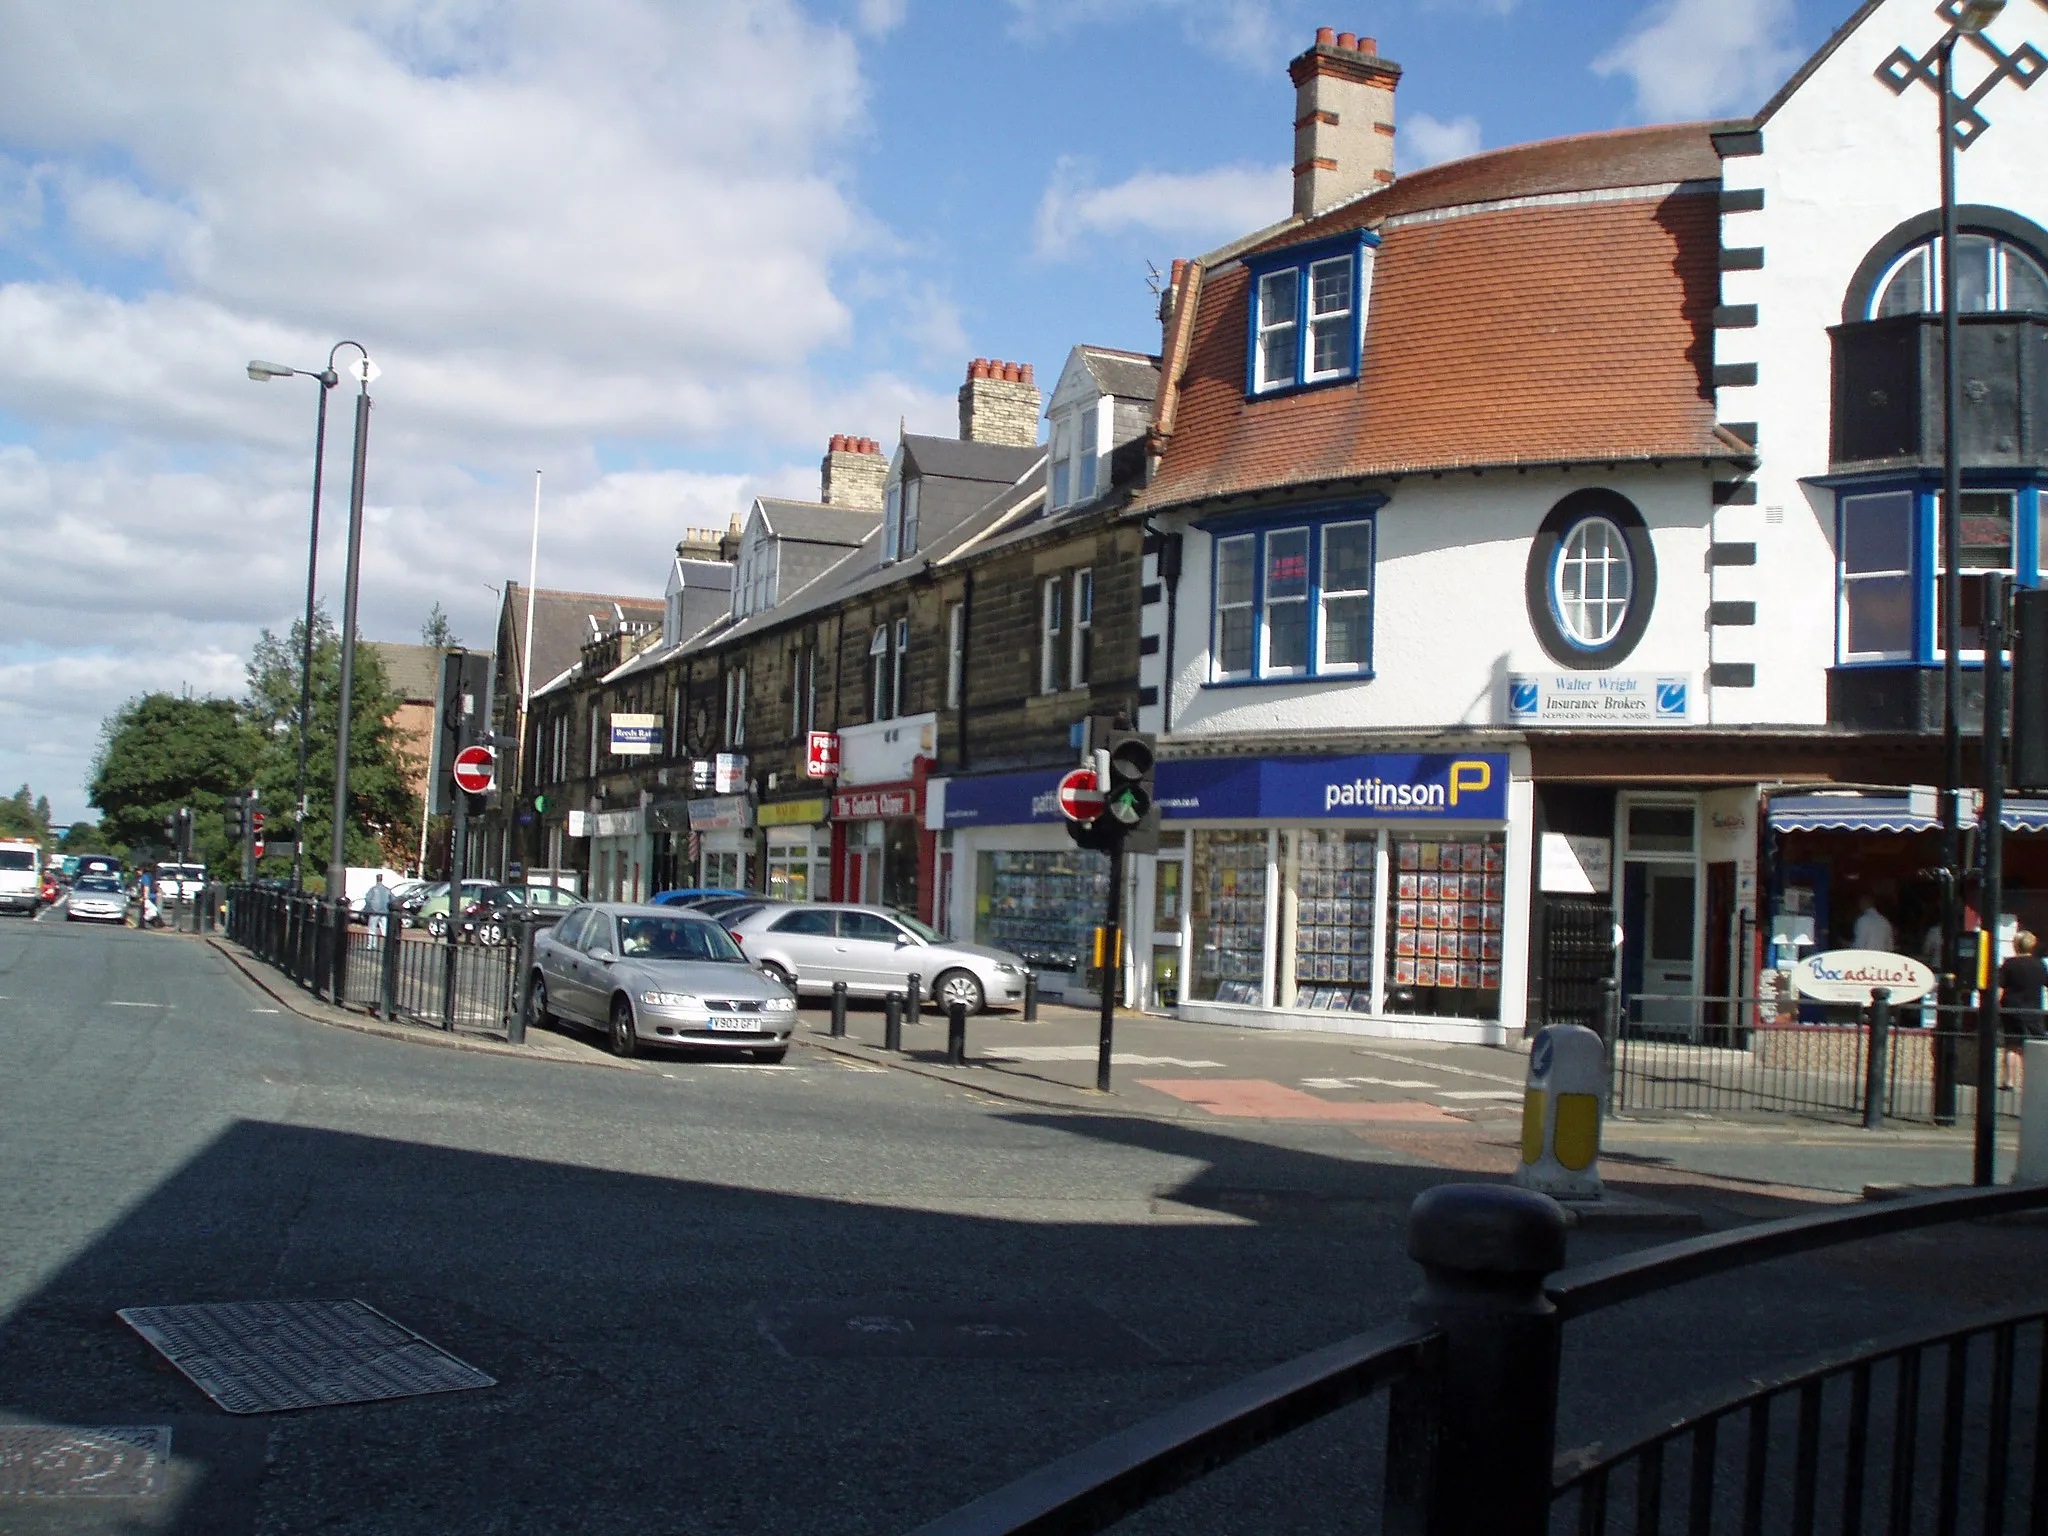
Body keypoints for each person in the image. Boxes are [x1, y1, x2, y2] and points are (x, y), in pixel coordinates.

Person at [2000, 930, 2048, 1038]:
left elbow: (1999, 989)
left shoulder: (2009, 964)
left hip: (2012, 1012)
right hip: (2034, 1013)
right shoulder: (2040, 965)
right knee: (2036, 1045)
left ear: (2016, 945)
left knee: (2014, 1047)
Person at [363, 872, 392, 938]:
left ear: (376, 879)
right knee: (384, 930)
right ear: (382, 879)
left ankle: (371, 945)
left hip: (374, 912)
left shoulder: (373, 889)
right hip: (384, 911)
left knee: (372, 929)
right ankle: (386, 945)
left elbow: (367, 899)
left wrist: (370, 908)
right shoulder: (387, 889)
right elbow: (392, 899)